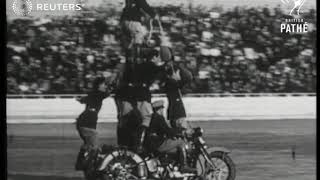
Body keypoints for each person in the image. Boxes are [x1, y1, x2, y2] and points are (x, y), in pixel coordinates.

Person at [114, 49, 165, 152]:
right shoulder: (150, 65)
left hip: (130, 95)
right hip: (142, 95)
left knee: (126, 119)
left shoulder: (137, 66)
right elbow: (159, 69)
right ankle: (139, 144)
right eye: (158, 57)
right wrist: (167, 63)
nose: (159, 60)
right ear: (154, 57)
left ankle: (124, 143)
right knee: (147, 118)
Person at [145, 100, 196, 173]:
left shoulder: (153, 117)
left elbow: (165, 131)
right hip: (159, 144)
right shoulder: (159, 118)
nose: (163, 110)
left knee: (176, 148)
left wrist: (173, 134)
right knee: (181, 142)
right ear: (159, 109)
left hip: (154, 143)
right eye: (162, 109)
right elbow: (167, 130)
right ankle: (184, 166)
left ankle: (173, 166)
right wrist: (180, 131)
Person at [75, 77, 111, 171]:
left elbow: (83, 100)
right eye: (104, 84)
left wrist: (81, 99)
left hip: (82, 122)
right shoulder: (99, 93)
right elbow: (108, 93)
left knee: (88, 144)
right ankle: (91, 167)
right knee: (94, 147)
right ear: (99, 85)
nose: (105, 86)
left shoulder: (93, 93)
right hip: (88, 123)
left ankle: (81, 164)